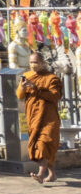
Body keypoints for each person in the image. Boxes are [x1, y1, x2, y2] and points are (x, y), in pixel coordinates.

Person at [16, 51, 62, 184]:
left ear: (43, 63)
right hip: (33, 117)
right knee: (44, 148)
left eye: (35, 62)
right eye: (31, 62)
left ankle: (41, 174)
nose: (33, 65)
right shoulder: (27, 76)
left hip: (49, 118)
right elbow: (19, 95)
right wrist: (23, 88)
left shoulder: (52, 78)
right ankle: (52, 174)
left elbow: (55, 96)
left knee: (44, 144)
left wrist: (36, 89)